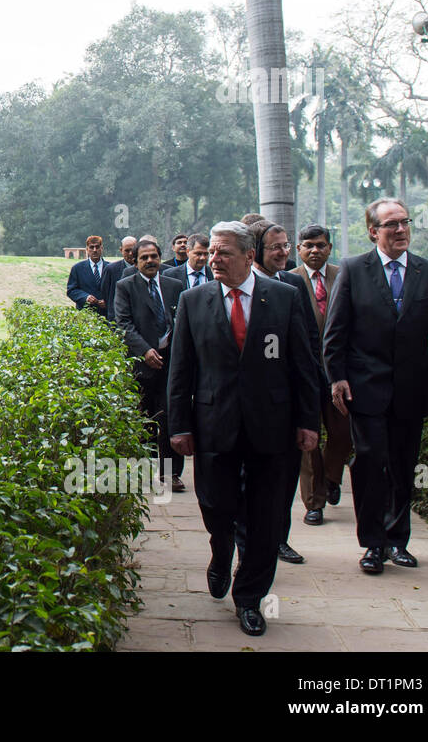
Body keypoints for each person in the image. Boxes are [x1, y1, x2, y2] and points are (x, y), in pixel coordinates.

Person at [167, 221, 320, 636]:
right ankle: (221, 551)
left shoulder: (285, 298)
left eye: (223, 253)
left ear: (249, 257)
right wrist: (179, 425)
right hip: (214, 425)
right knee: (216, 506)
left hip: (273, 427)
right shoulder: (193, 301)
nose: (213, 259)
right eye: (211, 252)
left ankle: (250, 597)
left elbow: (305, 364)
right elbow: (181, 370)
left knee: (267, 516)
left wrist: (310, 421)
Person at [322, 198, 428, 575]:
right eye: (391, 225)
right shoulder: (354, 270)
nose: (401, 230)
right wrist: (336, 377)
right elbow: (335, 333)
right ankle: (372, 544)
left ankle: (397, 539)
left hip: (410, 389)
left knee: (404, 465)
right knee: (369, 463)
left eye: (405, 222)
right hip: (364, 389)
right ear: (373, 231)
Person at [249, 218, 323, 565]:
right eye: (275, 247)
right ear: (256, 252)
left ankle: (279, 538)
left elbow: (308, 347)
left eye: (286, 246)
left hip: (287, 403)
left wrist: (310, 408)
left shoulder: (293, 284)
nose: (283, 253)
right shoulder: (240, 284)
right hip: (249, 405)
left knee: (285, 477)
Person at [292, 225, 352, 526]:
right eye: (308, 245)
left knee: (342, 434)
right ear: (298, 249)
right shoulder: (289, 281)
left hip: (340, 373)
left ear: (329, 248)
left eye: (321, 245)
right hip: (304, 373)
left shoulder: (345, 275)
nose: (315, 250)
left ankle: (331, 477)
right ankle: (314, 502)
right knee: (308, 439)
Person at [114, 237, 185, 491]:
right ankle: (143, 473)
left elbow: (182, 322)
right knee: (144, 417)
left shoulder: (174, 285)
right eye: (144, 257)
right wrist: (145, 351)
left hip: (171, 363)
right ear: (135, 260)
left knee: (170, 418)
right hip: (142, 365)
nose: (150, 261)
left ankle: (171, 473)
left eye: (154, 256)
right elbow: (123, 323)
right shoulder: (126, 286)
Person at [65, 236, 108, 319]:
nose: (94, 250)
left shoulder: (111, 268)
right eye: (92, 247)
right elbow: (71, 290)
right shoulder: (77, 268)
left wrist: (108, 302)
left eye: (97, 247)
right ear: (87, 249)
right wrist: (85, 297)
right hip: (85, 316)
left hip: (107, 315)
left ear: (101, 248)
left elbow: (117, 291)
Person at [101, 235, 139, 323]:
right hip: (116, 318)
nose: (130, 253)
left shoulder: (144, 269)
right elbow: (105, 292)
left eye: (132, 250)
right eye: (127, 250)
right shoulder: (111, 269)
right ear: (121, 250)